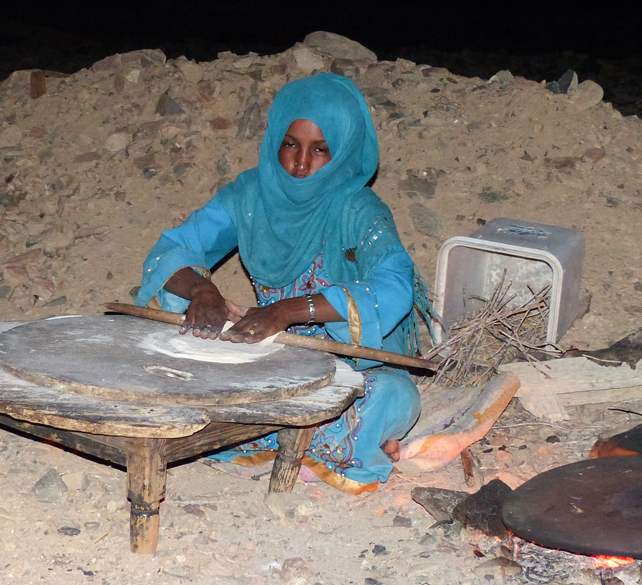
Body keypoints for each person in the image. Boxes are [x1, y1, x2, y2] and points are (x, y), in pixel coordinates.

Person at [135, 73, 426, 493]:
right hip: (270, 362)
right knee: (177, 369)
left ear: (343, 152)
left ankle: (280, 438)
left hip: (353, 368)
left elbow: (395, 285)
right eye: (290, 144)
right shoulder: (251, 196)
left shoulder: (360, 210)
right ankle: (309, 441)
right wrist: (203, 290)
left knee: (392, 396)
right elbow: (174, 248)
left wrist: (290, 310)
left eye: (320, 150)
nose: (301, 164)